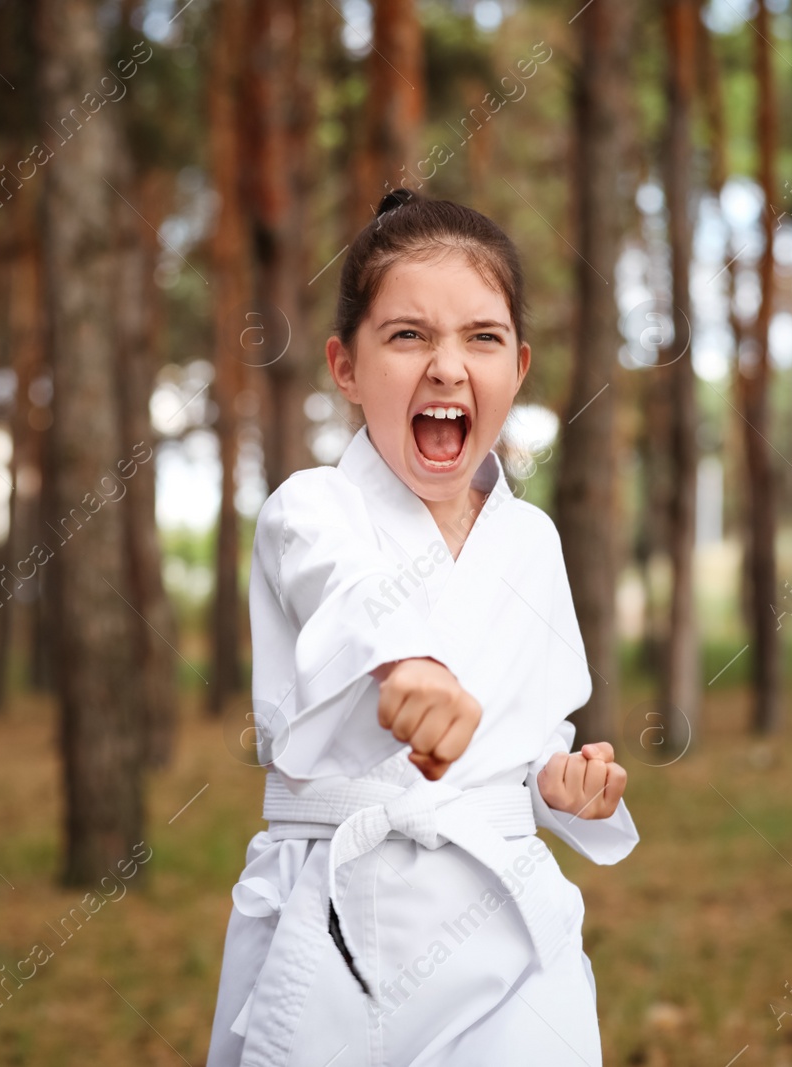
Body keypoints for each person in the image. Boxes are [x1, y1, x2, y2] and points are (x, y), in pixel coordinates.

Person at [207, 189, 639, 1067]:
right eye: (408, 335)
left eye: (480, 337)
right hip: (336, 925)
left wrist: (561, 785)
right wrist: (404, 664)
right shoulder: (312, 509)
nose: (447, 367)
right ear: (345, 366)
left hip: (508, 933)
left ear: (518, 367)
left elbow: (525, 741)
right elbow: (348, 589)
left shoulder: (532, 541)